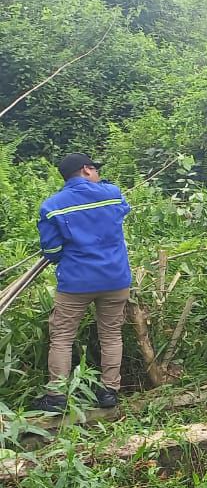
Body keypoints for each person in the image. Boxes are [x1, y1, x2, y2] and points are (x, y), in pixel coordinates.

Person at [30, 154, 132, 413]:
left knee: (62, 338)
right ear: (87, 170)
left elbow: (51, 250)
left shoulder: (52, 206)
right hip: (115, 278)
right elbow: (123, 209)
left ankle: (56, 395)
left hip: (76, 282)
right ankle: (109, 391)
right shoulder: (111, 193)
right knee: (111, 334)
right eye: (95, 169)